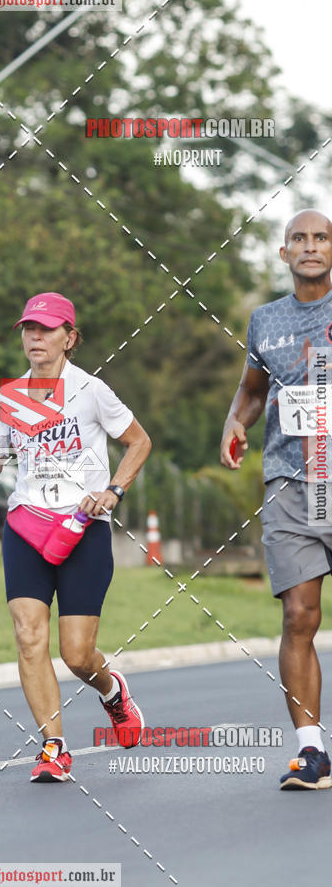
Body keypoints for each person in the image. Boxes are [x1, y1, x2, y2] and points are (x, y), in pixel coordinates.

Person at [0, 292, 152, 782]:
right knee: (29, 636)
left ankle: (111, 690)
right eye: (29, 329)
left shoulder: (91, 390)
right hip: (27, 524)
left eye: (46, 330)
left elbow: (139, 441)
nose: (35, 338)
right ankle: (53, 746)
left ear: (70, 338)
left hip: (82, 528)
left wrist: (113, 490)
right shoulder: (10, 397)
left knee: (76, 655)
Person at [221, 209, 332, 790]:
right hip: (291, 482)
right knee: (298, 616)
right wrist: (234, 423)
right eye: (300, 239)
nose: (310, 246)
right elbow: (252, 388)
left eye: (321, 237)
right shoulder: (265, 321)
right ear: (284, 252)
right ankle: (311, 752)